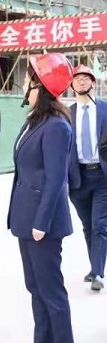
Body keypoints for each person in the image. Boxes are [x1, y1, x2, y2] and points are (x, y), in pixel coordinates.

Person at [7, 53, 76, 343]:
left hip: (42, 223)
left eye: (28, 79)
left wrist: (41, 223)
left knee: (51, 290)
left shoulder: (57, 126)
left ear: (41, 86)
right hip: (26, 217)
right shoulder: (34, 121)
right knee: (35, 287)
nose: (23, 83)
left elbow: (56, 179)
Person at [67, 65, 107, 291]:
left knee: (100, 224)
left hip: (102, 176)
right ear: (71, 85)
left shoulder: (105, 109)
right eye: (77, 79)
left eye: (85, 78)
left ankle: (98, 273)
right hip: (78, 177)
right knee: (87, 225)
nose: (81, 82)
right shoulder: (66, 113)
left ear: (93, 82)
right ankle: (94, 267)